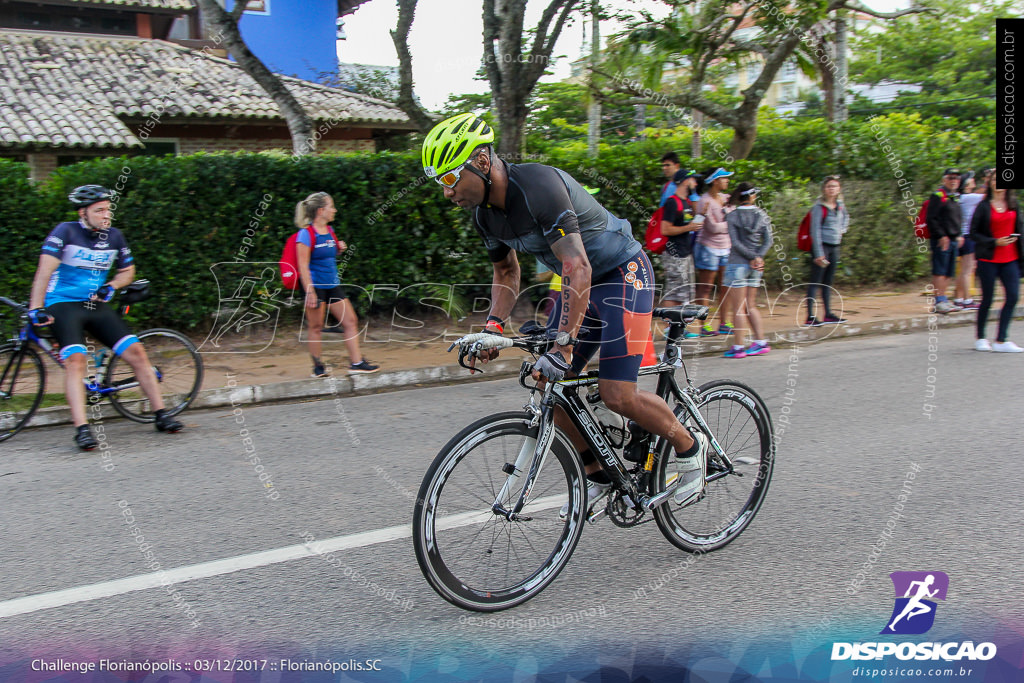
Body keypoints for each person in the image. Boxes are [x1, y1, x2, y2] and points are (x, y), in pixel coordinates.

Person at [422, 113, 710, 515]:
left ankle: (690, 447)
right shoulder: (484, 215)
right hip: (579, 285)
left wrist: (563, 344)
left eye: (450, 179)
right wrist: (492, 326)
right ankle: (598, 477)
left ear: (482, 161)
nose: (447, 192)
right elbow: (506, 271)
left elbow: (579, 266)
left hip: (623, 275)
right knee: (547, 382)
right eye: (440, 183)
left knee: (617, 393)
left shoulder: (539, 186)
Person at [27, 185, 183, 450]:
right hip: (62, 303)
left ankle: (161, 414)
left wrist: (112, 286)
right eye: (99, 210)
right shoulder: (65, 232)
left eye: (108, 209)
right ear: (83, 213)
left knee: (136, 352)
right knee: (76, 360)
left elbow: (128, 271)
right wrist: (36, 307)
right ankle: (82, 430)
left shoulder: (114, 236)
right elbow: (44, 272)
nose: (106, 215)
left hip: (93, 304)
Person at [294, 192, 379, 376]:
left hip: (332, 285)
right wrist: (310, 292)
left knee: (350, 320)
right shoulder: (305, 235)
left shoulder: (330, 231)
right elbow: (303, 266)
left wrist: (339, 249)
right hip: (314, 287)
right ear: (321, 210)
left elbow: (326, 256)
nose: (334, 210)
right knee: (316, 327)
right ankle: (317, 368)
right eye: (331, 206)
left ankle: (356, 363)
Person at [969, 174, 1023, 352]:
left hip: (1011, 259)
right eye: (994, 180)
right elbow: (974, 233)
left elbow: (1020, 230)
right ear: (990, 184)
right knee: (988, 299)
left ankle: (1001, 340)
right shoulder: (983, 206)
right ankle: (981, 338)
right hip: (989, 259)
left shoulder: (1014, 205)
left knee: (1013, 297)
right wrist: (994, 242)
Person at [722, 183, 773, 358]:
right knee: (751, 305)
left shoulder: (733, 216)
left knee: (738, 308)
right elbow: (768, 241)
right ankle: (760, 342)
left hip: (737, 264)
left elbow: (735, 243)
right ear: (752, 196)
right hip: (756, 266)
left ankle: (738, 346)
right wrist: (757, 257)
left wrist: (750, 256)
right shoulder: (762, 215)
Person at [658, 169, 703, 328]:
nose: (695, 183)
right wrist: (689, 227)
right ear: (685, 181)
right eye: (693, 180)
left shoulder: (687, 202)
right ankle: (667, 328)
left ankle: (679, 327)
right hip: (674, 254)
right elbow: (665, 229)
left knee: (685, 291)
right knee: (673, 292)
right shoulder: (672, 202)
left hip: (685, 252)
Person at [804, 175, 850, 326]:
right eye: (829, 186)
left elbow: (846, 219)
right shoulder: (818, 207)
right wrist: (818, 253)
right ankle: (810, 316)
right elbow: (814, 230)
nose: (831, 189)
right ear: (824, 189)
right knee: (815, 281)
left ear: (839, 189)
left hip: (834, 245)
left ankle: (828, 313)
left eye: (834, 186)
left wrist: (841, 230)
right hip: (822, 246)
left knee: (828, 282)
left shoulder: (840, 205)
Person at [694, 168, 735, 336]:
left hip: (726, 247)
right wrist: (728, 224)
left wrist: (725, 224)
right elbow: (711, 227)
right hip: (708, 248)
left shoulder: (727, 199)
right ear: (715, 181)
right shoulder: (704, 201)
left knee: (726, 287)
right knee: (706, 288)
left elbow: (733, 220)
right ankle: (704, 325)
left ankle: (725, 323)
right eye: (724, 178)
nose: (728, 181)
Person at [925, 169, 964, 314]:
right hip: (942, 240)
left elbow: (957, 218)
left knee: (949, 271)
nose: (954, 180)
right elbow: (931, 219)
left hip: (954, 238)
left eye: (956, 178)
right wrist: (941, 236)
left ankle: (944, 299)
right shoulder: (938, 196)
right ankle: (938, 300)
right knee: (940, 271)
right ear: (944, 180)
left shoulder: (955, 197)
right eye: (950, 178)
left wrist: (959, 235)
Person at [953, 169, 989, 310]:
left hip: (961, 236)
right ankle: (968, 300)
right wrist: (988, 179)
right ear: (967, 184)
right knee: (968, 270)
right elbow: (988, 195)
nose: (973, 180)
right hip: (969, 236)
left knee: (963, 270)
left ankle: (959, 298)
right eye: (971, 179)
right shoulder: (970, 198)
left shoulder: (960, 197)